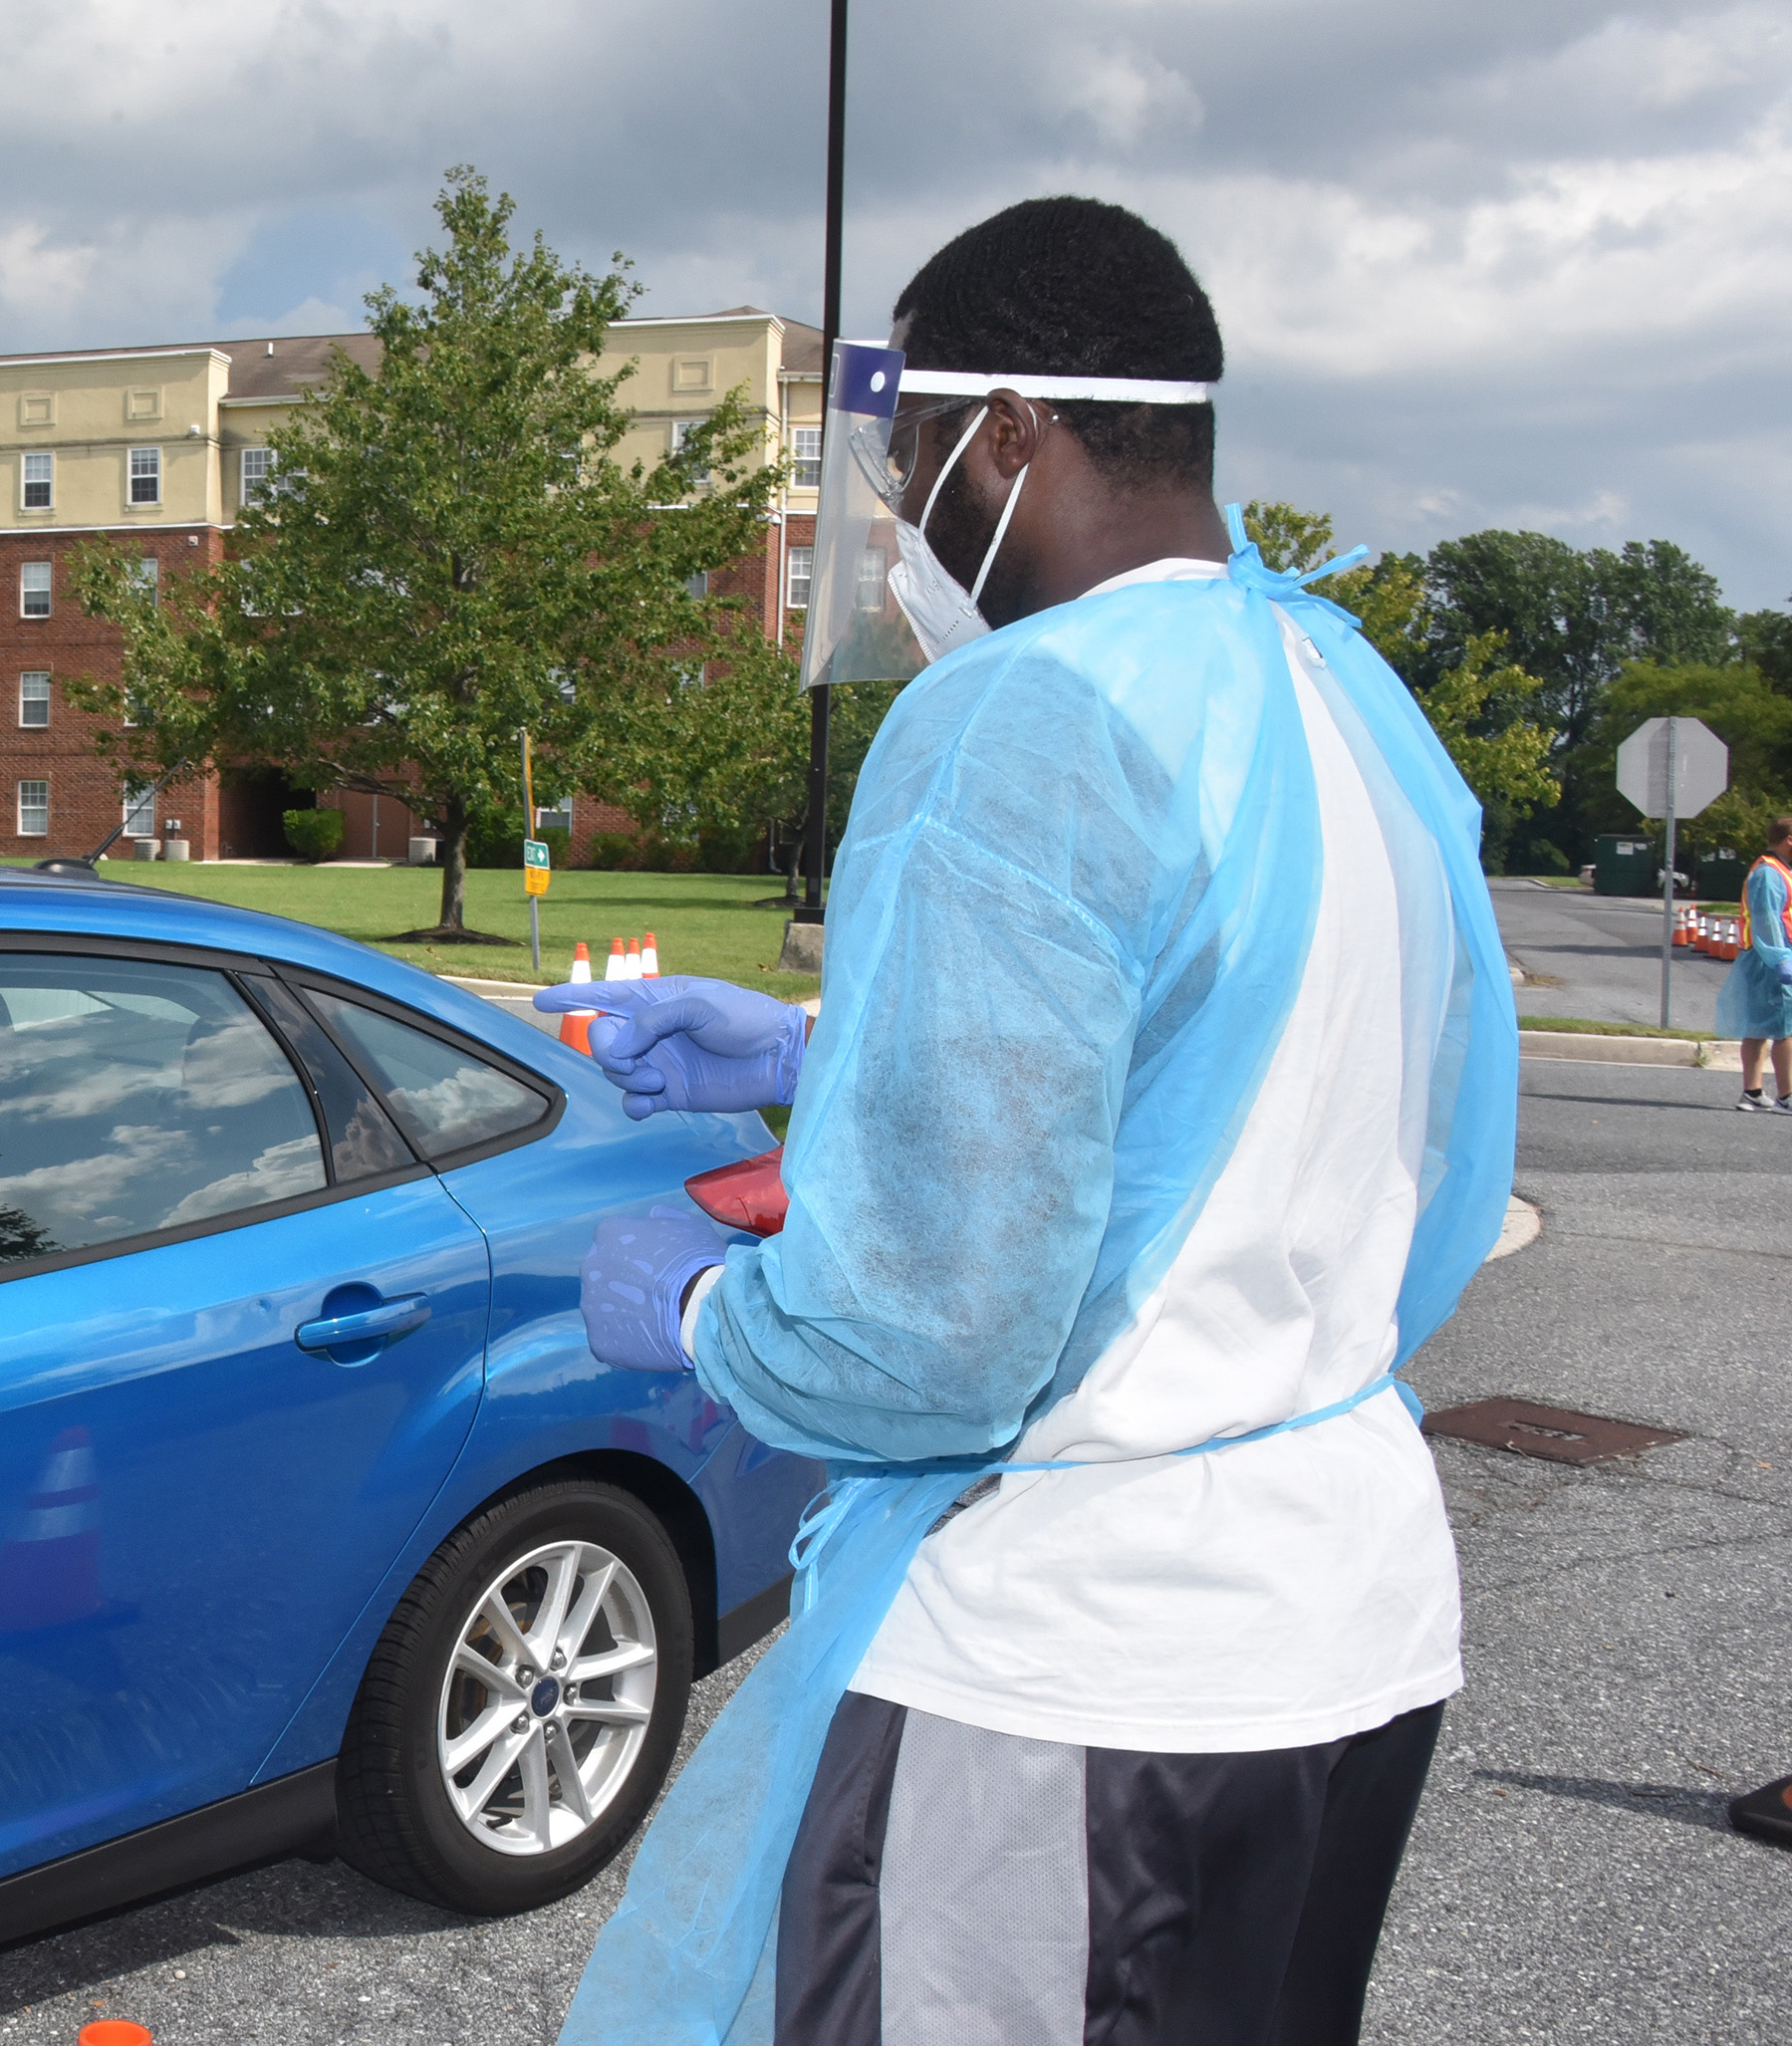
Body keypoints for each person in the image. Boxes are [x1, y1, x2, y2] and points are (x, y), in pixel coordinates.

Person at [542, 197, 1516, 2045]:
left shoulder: (1013, 715)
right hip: (1345, 1623)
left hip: (1084, 1659)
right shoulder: (1327, 686)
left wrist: (687, 1303)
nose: (898, 516)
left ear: (1003, 432)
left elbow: (927, 1337)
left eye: (905, 452)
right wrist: (817, 1049)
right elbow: (1226, 1055)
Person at [1716, 817, 1792, 1110]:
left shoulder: (1778, 870)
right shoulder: (1768, 874)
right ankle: (1786, 1095)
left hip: (1768, 958)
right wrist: (1781, 959)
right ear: (1788, 840)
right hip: (1770, 960)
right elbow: (1766, 919)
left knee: (1758, 1026)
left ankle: (1753, 1092)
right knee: (1784, 1029)